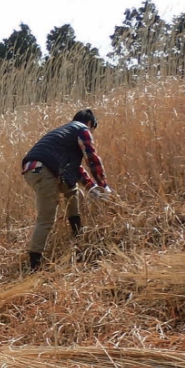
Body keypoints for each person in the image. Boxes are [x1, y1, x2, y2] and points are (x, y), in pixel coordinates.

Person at [21, 108, 114, 272]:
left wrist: (93, 189)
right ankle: (33, 267)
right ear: (91, 124)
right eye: (93, 129)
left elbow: (76, 170)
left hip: (34, 169)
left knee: (71, 189)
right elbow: (91, 157)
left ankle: (77, 235)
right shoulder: (82, 129)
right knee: (46, 218)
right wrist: (104, 185)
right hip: (43, 170)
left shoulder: (65, 135)